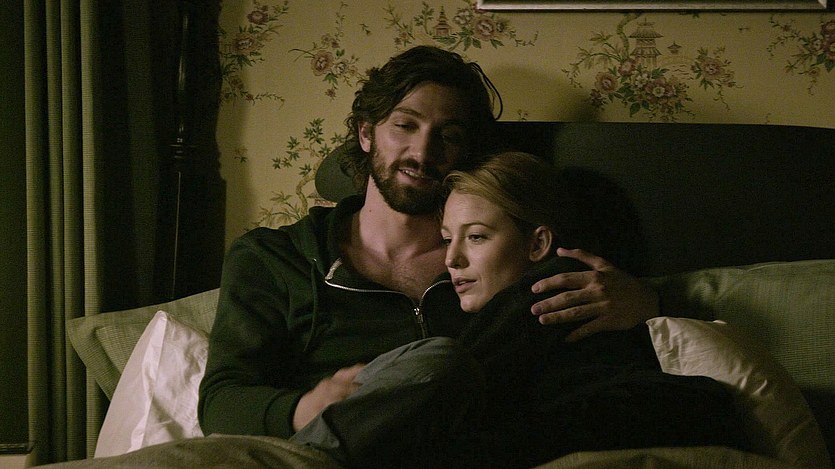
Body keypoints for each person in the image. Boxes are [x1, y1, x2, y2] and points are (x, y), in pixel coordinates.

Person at [197, 45, 660, 457]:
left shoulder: (501, 260)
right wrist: (304, 408)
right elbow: (221, 401)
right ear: (366, 134)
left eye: (449, 135)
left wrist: (646, 303)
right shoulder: (275, 258)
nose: (422, 151)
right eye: (405, 125)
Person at [287, 151, 747, 469]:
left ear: (537, 243)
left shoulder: (557, 284)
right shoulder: (501, 311)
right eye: (447, 239)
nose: (452, 260)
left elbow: (462, 377)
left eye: (476, 237)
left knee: (438, 364)